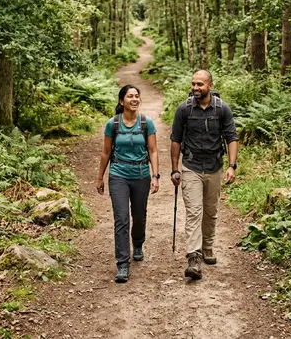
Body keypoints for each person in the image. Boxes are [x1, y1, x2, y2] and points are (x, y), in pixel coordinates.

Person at [170, 70, 238, 280]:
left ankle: (207, 247)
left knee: (211, 211)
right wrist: (175, 168)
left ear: (210, 85)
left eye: (200, 84)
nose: (195, 88)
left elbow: (231, 138)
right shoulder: (184, 109)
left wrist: (232, 166)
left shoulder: (221, 109)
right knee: (194, 212)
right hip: (191, 166)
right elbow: (175, 140)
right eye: (193, 84)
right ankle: (194, 257)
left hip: (215, 167)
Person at [96, 84, 160, 283]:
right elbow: (106, 152)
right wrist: (100, 177)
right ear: (121, 101)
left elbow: (153, 150)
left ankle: (138, 243)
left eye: (137, 96)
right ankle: (122, 264)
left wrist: (156, 175)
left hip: (141, 174)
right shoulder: (112, 124)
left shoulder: (146, 123)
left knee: (139, 216)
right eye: (130, 96)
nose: (134, 99)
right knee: (121, 218)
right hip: (118, 175)